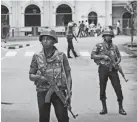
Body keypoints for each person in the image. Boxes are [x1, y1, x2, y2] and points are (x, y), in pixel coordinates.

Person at [29, 29, 73, 122]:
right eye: (43, 39)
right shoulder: (37, 57)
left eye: (48, 39)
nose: (45, 41)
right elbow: (31, 75)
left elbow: (68, 75)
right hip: (42, 92)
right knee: (43, 118)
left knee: (63, 118)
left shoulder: (61, 56)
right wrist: (40, 77)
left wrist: (69, 92)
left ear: (54, 41)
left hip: (59, 91)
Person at [91, 30, 127, 115]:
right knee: (102, 88)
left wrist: (117, 63)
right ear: (104, 37)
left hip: (113, 70)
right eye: (107, 36)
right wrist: (103, 56)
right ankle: (104, 108)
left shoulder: (114, 47)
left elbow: (119, 57)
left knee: (118, 88)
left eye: (110, 36)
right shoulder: (99, 46)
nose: (109, 37)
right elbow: (92, 55)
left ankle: (121, 107)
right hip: (103, 68)